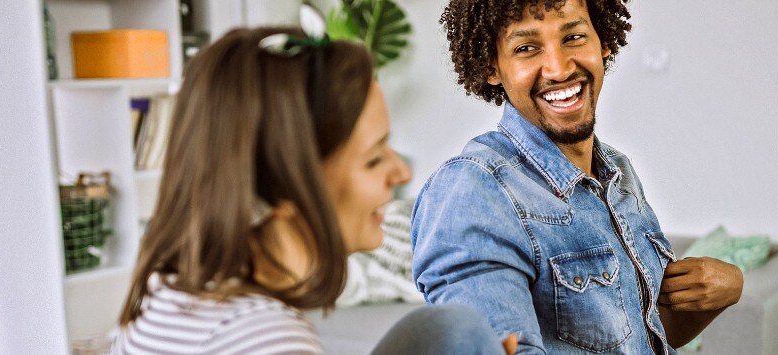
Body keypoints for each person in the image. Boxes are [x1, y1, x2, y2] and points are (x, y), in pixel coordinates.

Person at [113, 24, 510, 354]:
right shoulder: (268, 341)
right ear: (285, 187)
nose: (401, 173)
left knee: (447, 329)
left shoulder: (165, 286)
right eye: (373, 158)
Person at [411, 0, 745, 353]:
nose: (558, 68)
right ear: (492, 66)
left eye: (573, 37)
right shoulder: (474, 190)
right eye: (526, 48)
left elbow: (640, 337)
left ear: (602, 43)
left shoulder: (617, 171)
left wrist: (723, 293)